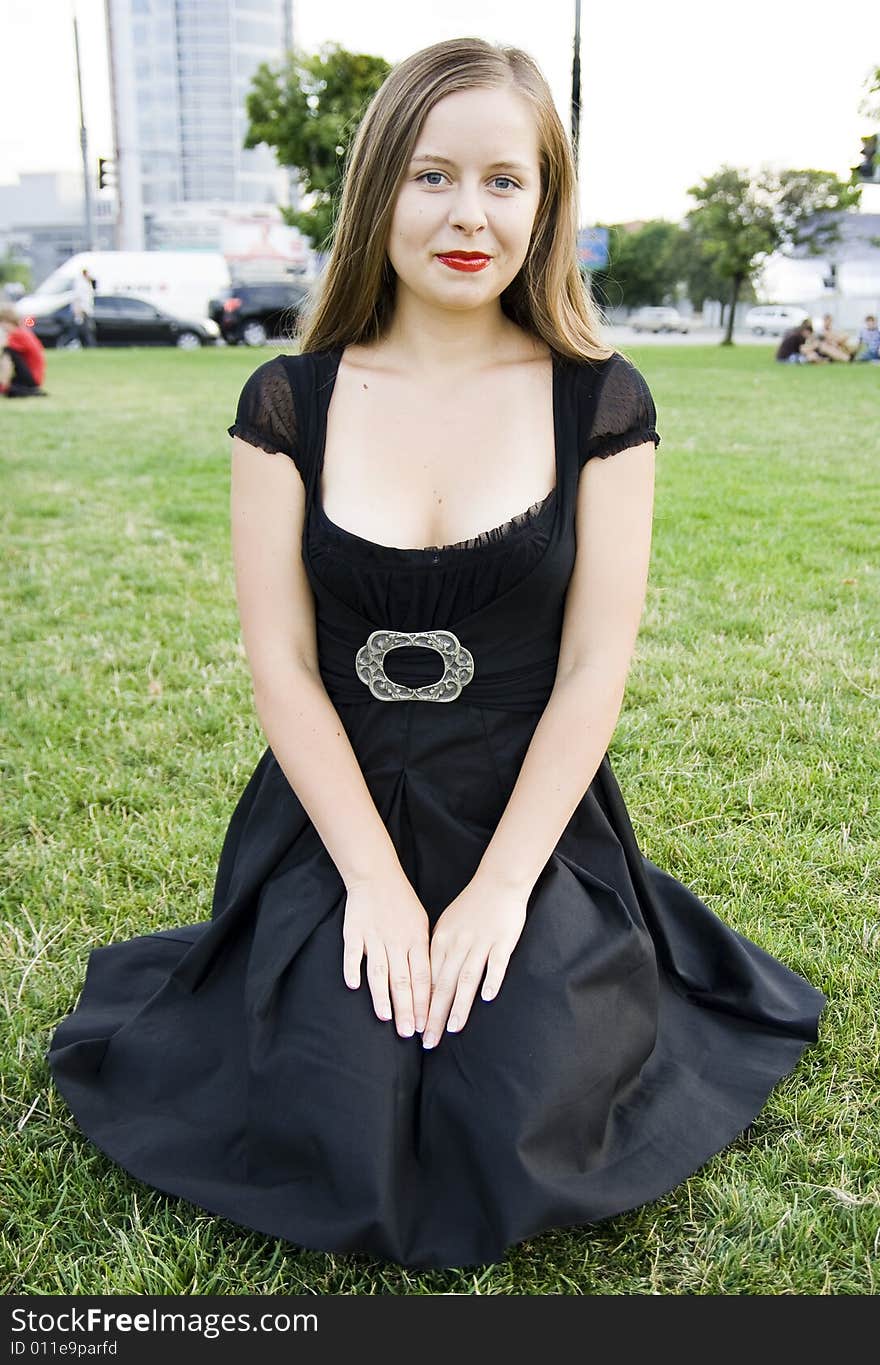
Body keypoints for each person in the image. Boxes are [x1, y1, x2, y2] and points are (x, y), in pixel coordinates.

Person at [45, 37, 827, 1272]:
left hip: (526, 816)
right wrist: (374, 885)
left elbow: (589, 674)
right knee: (333, 1106)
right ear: (379, 193)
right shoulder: (285, 402)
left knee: (513, 1109)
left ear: (545, 204)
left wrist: (500, 892)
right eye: (432, 176)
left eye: (505, 181)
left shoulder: (601, 404)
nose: (469, 215)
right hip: (337, 819)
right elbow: (286, 669)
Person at [0, 303, 47, 397]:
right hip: (35, 376)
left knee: (8, 352)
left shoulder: (16, 334)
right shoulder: (22, 331)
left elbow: (4, 352)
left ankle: (3, 386)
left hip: (31, 377)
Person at [69, 266, 96, 347]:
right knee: (84, 329)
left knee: (84, 329)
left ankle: (84, 344)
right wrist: (78, 311)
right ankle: (88, 344)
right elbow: (77, 298)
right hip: (82, 310)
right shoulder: (80, 283)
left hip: (87, 309)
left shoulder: (88, 283)